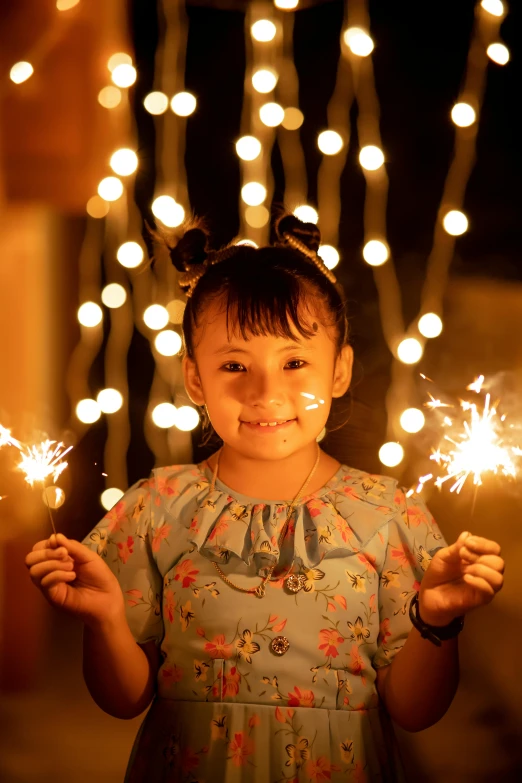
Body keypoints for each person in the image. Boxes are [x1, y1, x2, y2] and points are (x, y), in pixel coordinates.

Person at [25, 213, 505, 782]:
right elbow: (122, 699)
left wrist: (435, 621)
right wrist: (104, 617)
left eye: (295, 362)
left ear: (340, 371)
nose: (265, 391)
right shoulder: (155, 508)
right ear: (196, 379)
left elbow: (415, 712)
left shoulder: (388, 516)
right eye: (233, 365)